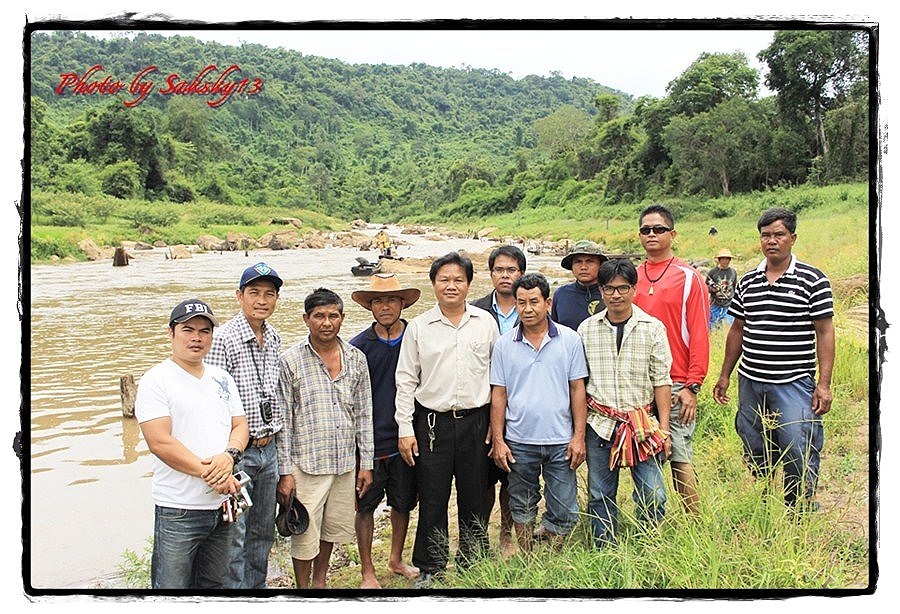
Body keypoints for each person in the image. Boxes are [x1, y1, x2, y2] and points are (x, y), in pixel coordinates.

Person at [713, 208, 834, 511]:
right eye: (766, 235)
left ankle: (799, 506)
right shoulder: (749, 280)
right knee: (753, 441)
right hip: (751, 380)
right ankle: (763, 497)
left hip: (793, 382)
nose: (772, 241)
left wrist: (824, 384)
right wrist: (725, 375)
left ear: (792, 238)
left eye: (779, 234)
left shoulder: (813, 279)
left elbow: (825, 332)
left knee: (798, 444)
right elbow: (738, 328)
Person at [394, 251, 499, 588]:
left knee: (475, 493)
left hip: (476, 421)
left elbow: (498, 377)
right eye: (444, 280)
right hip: (432, 423)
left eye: (458, 280)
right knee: (433, 495)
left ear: (469, 284)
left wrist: (498, 429)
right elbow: (406, 380)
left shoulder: (485, 323)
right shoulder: (420, 328)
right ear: (433, 284)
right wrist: (405, 429)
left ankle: (475, 561)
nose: (451, 286)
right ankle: (430, 566)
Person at [135, 299, 249, 589]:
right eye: (188, 330)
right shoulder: (156, 380)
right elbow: (160, 442)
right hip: (179, 509)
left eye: (204, 331)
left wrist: (230, 455)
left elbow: (240, 425)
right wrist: (214, 474)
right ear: (171, 333)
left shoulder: (221, 378)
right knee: (172, 588)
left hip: (222, 506)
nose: (196, 338)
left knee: (215, 585)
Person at [275, 288, 374, 588]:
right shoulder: (290, 361)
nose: (326, 322)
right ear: (306, 319)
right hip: (306, 465)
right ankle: (303, 589)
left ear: (343, 318)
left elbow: (364, 414)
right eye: (319, 316)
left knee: (331, 530)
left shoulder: (356, 359)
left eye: (333, 315)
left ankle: (320, 584)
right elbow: (284, 421)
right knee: (305, 533)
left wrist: (366, 463)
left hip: (344, 463)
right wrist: (285, 472)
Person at [489, 273, 588, 552]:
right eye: (521, 302)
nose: (527, 309)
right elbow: (499, 394)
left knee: (564, 504)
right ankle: (528, 556)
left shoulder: (569, 340)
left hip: (560, 439)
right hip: (520, 439)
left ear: (548, 303)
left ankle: (555, 555)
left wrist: (578, 437)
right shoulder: (504, 345)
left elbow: (577, 389)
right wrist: (499, 440)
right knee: (521, 502)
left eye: (534, 301)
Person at [577, 259, 672, 547]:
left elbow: (662, 380)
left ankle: (649, 543)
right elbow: (579, 384)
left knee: (652, 491)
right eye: (609, 289)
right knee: (600, 492)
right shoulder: (586, 329)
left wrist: (664, 429)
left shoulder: (652, 328)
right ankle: (605, 547)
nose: (616, 295)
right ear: (601, 291)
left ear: (634, 289)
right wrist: (579, 433)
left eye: (622, 288)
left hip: (642, 425)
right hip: (601, 424)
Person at [205, 262, 284, 589]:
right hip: (239, 454)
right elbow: (210, 402)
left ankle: (258, 591)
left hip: (270, 450)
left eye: (269, 294)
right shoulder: (222, 339)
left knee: (263, 533)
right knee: (234, 536)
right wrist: (221, 457)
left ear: (277, 299)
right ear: (239, 296)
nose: (261, 300)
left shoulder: (275, 337)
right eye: (254, 293)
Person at [633, 204, 709, 516]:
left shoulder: (689, 278)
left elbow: (700, 333)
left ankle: (696, 526)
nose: (652, 234)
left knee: (678, 452)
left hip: (676, 380)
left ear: (672, 234)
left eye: (659, 229)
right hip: (638, 382)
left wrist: (693, 385)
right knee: (643, 455)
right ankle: (650, 522)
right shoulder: (631, 277)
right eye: (645, 230)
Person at [349, 274, 422, 588]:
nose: (385, 306)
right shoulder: (357, 348)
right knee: (365, 506)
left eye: (392, 299)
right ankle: (367, 571)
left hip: (407, 437)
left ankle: (395, 558)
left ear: (403, 303)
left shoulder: (417, 337)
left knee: (403, 502)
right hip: (370, 442)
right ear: (370, 306)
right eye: (378, 300)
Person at [470, 244, 526, 554]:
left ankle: (507, 532)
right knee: (483, 477)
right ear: (490, 274)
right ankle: (480, 536)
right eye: (499, 270)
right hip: (481, 405)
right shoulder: (475, 310)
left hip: (519, 403)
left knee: (511, 475)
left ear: (521, 273)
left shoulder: (531, 306)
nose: (505, 276)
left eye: (512, 270)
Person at [550, 239, 608, 331]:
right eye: (578, 262)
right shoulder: (561, 294)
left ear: (600, 265)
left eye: (590, 261)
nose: (583, 267)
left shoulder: (610, 293)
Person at [706, 248, 738, 331]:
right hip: (715, 304)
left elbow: (734, 287)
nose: (725, 261)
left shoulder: (733, 272)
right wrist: (714, 289)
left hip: (729, 305)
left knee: (730, 328)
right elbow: (706, 287)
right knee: (713, 327)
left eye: (727, 259)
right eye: (723, 258)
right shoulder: (712, 272)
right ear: (719, 260)